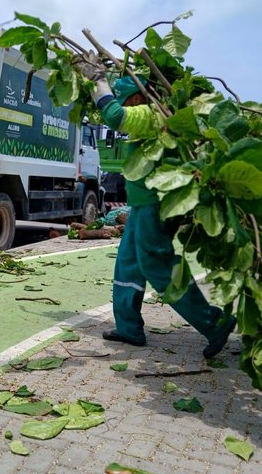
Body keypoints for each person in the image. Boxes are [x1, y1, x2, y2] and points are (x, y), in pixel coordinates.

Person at [78, 57, 236, 358]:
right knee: (128, 262)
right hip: (142, 205)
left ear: (137, 97)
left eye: (127, 99)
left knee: (157, 265)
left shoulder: (151, 114)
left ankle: (215, 323)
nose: (126, 105)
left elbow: (113, 115)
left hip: (154, 204)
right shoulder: (149, 114)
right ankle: (128, 327)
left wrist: (98, 82)